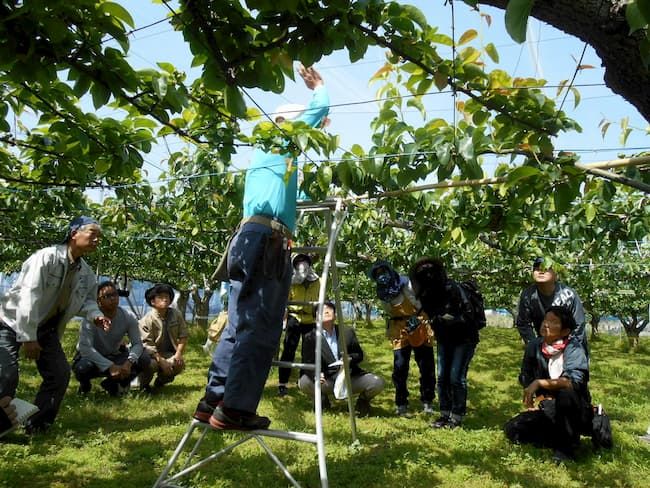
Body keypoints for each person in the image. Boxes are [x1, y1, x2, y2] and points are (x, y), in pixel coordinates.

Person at [194, 64, 330, 430]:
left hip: (250, 240)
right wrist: (319, 89)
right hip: (267, 243)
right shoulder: (277, 138)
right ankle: (236, 409)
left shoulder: (271, 163)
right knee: (263, 325)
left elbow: (297, 197)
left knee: (239, 324)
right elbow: (314, 115)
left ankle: (213, 400)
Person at [0, 216, 110, 433]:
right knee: (6, 374)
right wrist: (29, 336)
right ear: (74, 233)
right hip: (11, 321)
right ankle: (1, 424)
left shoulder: (85, 273)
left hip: (46, 328)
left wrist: (95, 315)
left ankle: (38, 426)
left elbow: (87, 301)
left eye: (100, 236)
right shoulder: (46, 257)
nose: (97, 239)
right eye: (92, 233)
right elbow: (28, 295)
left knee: (59, 374)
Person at [504, 306, 593, 463]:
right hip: (547, 405)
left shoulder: (573, 347)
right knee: (514, 428)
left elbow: (572, 382)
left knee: (566, 394)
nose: (546, 324)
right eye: (546, 319)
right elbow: (526, 375)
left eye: (553, 322)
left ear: (565, 331)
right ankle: (560, 437)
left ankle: (565, 450)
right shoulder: (534, 346)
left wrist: (540, 383)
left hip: (574, 407)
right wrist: (537, 395)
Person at [409, 257, 479, 429]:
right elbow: (430, 315)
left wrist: (450, 320)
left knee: (456, 377)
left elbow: (468, 315)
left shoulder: (452, 289)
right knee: (442, 378)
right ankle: (445, 414)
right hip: (444, 338)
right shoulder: (425, 293)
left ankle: (456, 416)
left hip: (464, 338)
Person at [368, 260, 435, 416]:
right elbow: (390, 311)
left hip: (419, 324)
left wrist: (417, 319)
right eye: (377, 275)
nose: (382, 277)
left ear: (390, 271)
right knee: (400, 366)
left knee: (426, 366)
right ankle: (401, 403)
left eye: (383, 272)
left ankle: (427, 401)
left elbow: (421, 304)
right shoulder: (383, 293)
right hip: (399, 328)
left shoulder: (407, 284)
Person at [298, 301, 384, 416]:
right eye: (321, 310)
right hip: (327, 381)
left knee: (377, 382)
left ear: (335, 314)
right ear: (315, 318)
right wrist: (317, 374)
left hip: (349, 377)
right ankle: (321, 400)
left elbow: (358, 354)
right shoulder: (310, 336)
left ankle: (362, 402)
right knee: (304, 382)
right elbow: (307, 361)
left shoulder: (347, 332)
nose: (326, 311)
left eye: (329, 309)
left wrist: (349, 359)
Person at [72, 281, 148, 396]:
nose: (113, 298)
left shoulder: (128, 316)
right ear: (98, 301)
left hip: (115, 355)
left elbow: (137, 344)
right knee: (82, 368)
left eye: (115, 294)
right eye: (107, 296)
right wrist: (110, 366)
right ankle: (85, 385)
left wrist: (128, 362)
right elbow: (85, 348)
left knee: (144, 358)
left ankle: (112, 383)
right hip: (91, 358)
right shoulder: (91, 318)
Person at [516, 257, 588, 351]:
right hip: (544, 345)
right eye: (537, 269)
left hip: (570, 346)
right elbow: (523, 323)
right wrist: (535, 345)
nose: (541, 271)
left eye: (546, 268)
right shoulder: (528, 295)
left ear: (555, 274)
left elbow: (579, 323)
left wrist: (568, 348)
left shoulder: (568, 294)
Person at [278, 253, 321, 396]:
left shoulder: (318, 281)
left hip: (311, 319)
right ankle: (282, 383)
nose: (302, 264)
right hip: (294, 317)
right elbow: (285, 300)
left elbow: (321, 299)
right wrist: (284, 319)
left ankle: (303, 382)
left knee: (308, 352)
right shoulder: (291, 281)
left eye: (304, 261)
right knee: (289, 349)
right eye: (298, 262)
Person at [138, 283, 188, 389]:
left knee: (179, 364)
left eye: (167, 297)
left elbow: (183, 335)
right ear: (152, 302)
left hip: (169, 353)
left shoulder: (176, 314)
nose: (165, 299)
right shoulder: (146, 320)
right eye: (161, 297)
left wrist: (178, 354)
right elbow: (148, 346)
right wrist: (161, 361)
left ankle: (161, 381)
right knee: (150, 365)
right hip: (152, 355)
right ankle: (144, 385)